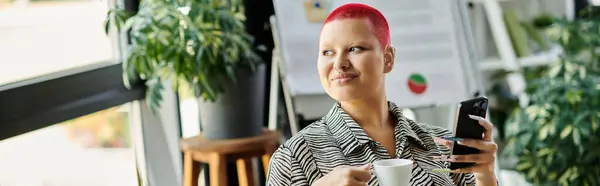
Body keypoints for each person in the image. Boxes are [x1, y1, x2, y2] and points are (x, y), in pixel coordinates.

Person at [266, 3, 498, 186]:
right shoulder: (294, 158)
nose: (339, 63)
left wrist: (485, 175)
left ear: (388, 58)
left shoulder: (441, 145)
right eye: (327, 52)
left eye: (354, 48)